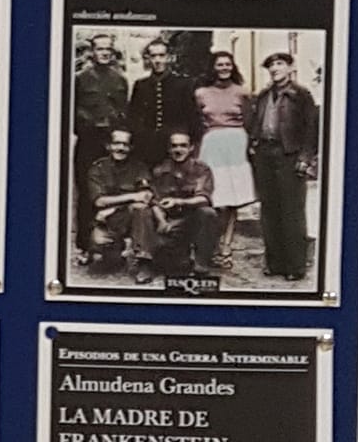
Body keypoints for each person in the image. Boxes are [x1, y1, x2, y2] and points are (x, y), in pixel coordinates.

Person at [247, 50, 319, 280]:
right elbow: (255, 122)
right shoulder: (264, 95)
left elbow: (311, 129)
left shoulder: (301, 95)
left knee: (292, 210)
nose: (275, 69)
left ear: (290, 68)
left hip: (289, 154)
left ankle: (295, 266)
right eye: (271, 65)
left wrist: (305, 158)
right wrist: (253, 143)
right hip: (265, 155)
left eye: (279, 64)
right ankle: (274, 263)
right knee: (269, 209)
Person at [195, 50, 255, 267]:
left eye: (228, 64)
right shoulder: (201, 93)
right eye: (220, 64)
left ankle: (226, 248)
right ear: (213, 67)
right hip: (211, 144)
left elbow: (250, 121)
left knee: (231, 200)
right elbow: (196, 121)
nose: (224, 68)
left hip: (235, 144)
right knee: (212, 197)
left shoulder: (242, 92)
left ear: (233, 66)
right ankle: (210, 246)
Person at [73, 33, 130, 253]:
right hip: (89, 143)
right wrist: (90, 125)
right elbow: (72, 114)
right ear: (92, 52)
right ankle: (85, 245)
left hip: (113, 145)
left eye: (108, 49)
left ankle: (112, 242)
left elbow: (123, 113)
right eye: (100, 49)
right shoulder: (80, 79)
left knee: (114, 189)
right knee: (87, 193)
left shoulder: (120, 80)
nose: (104, 53)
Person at [86, 126, 155, 279]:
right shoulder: (98, 168)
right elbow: (99, 201)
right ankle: (118, 250)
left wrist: (115, 206)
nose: (121, 148)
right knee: (102, 261)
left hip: (130, 219)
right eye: (116, 143)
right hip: (109, 222)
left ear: (131, 148)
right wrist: (132, 196)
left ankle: (144, 261)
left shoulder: (139, 167)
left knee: (141, 208)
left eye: (125, 144)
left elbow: (145, 195)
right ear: (108, 146)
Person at [149, 130, 220, 278]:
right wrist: (162, 222)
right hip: (171, 223)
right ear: (169, 149)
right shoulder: (159, 171)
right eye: (174, 146)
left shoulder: (201, 169)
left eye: (183, 146)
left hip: (192, 220)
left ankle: (201, 262)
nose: (178, 150)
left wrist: (178, 201)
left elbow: (203, 199)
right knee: (174, 267)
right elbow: (154, 201)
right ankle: (180, 257)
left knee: (208, 213)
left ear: (191, 148)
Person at [128, 37, 200, 168]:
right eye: (153, 56)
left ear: (169, 57)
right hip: (148, 146)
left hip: (175, 146)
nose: (157, 60)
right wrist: (139, 136)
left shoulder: (183, 84)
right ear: (148, 59)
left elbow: (192, 117)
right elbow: (133, 116)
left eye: (161, 55)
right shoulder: (141, 85)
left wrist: (190, 143)